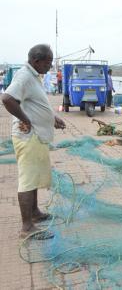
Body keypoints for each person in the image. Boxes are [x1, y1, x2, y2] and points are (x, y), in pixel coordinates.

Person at [1, 44, 66, 239]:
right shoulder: (24, 76)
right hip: (28, 137)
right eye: (48, 62)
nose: (50, 66)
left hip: (37, 136)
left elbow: (36, 103)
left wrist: (52, 117)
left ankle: (35, 213)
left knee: (34, 176)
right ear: (36, 61)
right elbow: (7, 99)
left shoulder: (34, 76)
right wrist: (25, 119)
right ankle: (26, 228)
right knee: (28, 180)